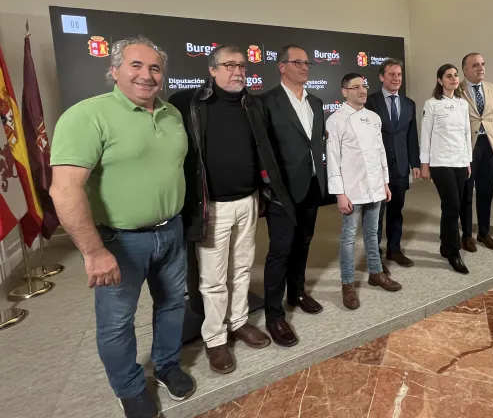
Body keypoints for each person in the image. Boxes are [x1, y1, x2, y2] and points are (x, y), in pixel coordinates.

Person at [49, 37, 194, 418]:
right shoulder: (86, 116)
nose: (147, 75)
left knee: (172, 304)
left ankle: (167, 365)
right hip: (118, 241)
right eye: (136, 65)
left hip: (171, 231)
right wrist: (93, 251)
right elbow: (65, 190)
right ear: (114, 71)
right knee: (117, 322)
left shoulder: (172, 114)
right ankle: (129, 388)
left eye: (155, 68)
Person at [169, 45, 295, 375]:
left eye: (242, 66)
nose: (238, 71)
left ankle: (238, 321)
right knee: (212, 278)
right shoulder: (189, 103)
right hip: (212, 207)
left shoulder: (252, 104)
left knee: (241, 267)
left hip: (248, 201)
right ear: (212, 70)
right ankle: (214, 338)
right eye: (229, 65)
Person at [260, 44, 327, 347]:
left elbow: (316, 143)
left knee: (303, 242)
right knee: (280, 249)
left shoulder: (316, 102)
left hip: (311, 184)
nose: (304, 67)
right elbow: (262, 149)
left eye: (307, 63)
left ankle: (297, 293)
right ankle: (274, 314)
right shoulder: (266, 102)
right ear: (282, 66)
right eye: (297, 62)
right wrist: (269, 186)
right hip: (281, 190)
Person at [327, 73, 402, 309]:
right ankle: (347, 283)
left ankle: (376, 272)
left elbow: (380, 152)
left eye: (364, 86)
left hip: (375, 186)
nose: (362, 91)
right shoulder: (335, 120)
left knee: (372, 233)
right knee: (348, 238)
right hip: (352, 189)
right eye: (356, 87)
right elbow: (332, 159)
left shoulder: (373, 117)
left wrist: (385, 182)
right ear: (344, 92)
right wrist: (339, 193)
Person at [365, 59, 420, 272]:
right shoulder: (370, 102)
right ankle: (375, 256)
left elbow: (411, 136)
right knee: (376, 214)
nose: (396, 78)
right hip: (377, 167)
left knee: (396, 210)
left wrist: (415, 163)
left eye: (399, 74)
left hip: (400, 167)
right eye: (391, 74)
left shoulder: (409, 104)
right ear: (382, 77)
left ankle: (394, 249)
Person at [420, 64, 472, 274]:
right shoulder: (432, 104)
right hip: (440, 162)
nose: (453, 78)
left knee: (451, 206)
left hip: (460, 162)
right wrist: (425, 165)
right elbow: (425, 135)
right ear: (440, 80)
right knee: (452, 206)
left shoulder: (462, 104)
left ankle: (444, 243)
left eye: (455, 75)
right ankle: (453, 251)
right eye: (448, 76)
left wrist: (468, 162)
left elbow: (467, 134)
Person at [459, 52, 493, 252]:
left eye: (482, 64)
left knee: (486, 192)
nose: (481, 68)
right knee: (466, 193)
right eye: (475, 65)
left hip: (489, 146)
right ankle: (466, 235)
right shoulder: (457, 89)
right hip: (466, 147)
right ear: (465, 70)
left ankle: (484, 232)